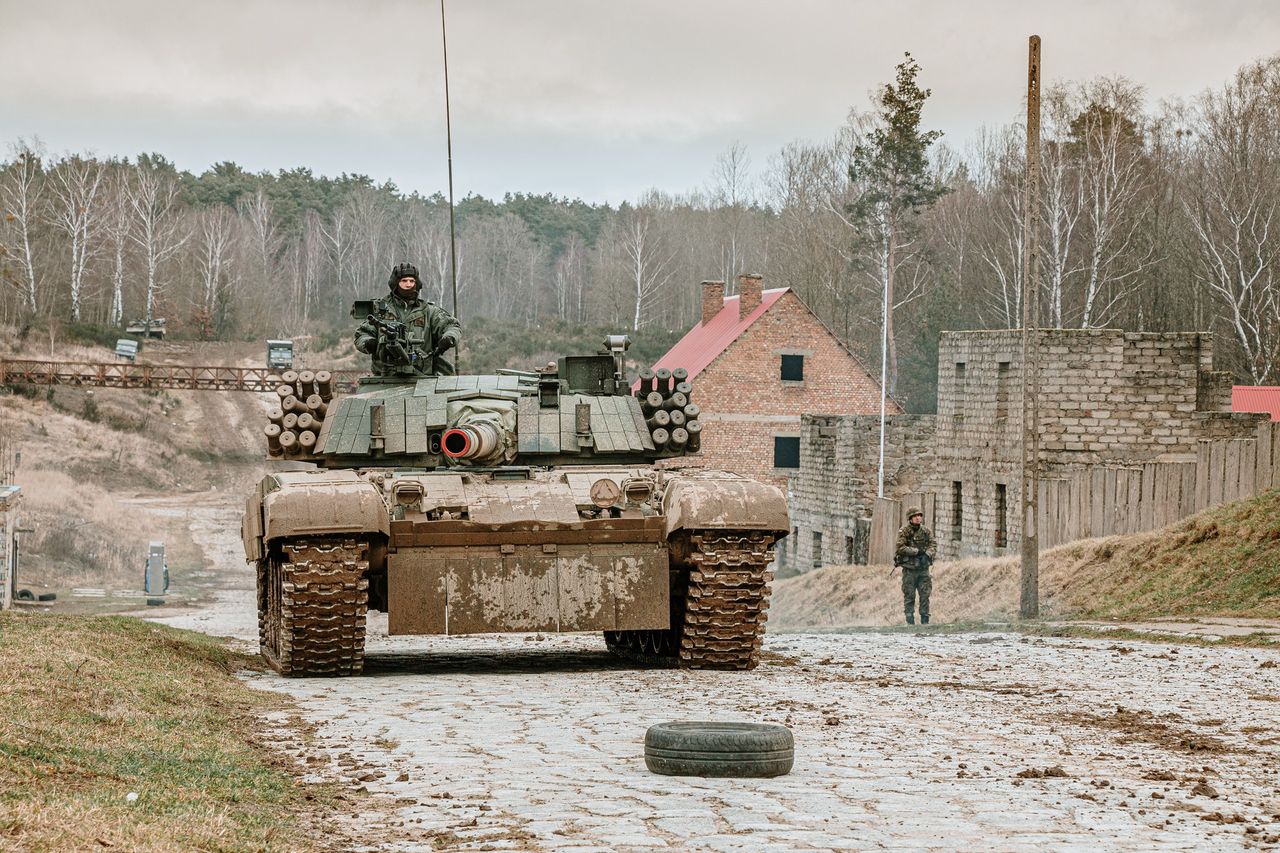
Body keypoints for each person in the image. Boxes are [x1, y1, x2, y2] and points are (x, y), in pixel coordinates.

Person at [354, 263, 460, 377]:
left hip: (422, 377)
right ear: (396, 283)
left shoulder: (428, 311)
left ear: (416, 283)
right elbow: (362, 334)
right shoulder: (380, 309)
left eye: (412, 281)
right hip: (385, 377)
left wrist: (449, 337)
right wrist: (369, 343)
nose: (408, 284)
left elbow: (451, 326)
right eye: (404, 281)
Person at [894, 506, 936, 625]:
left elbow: (933, 544)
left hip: (923, 569)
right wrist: (916, 552)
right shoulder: (904, 531)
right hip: (910, 570)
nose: (918, 518)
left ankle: (925, 620)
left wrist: (927, 555)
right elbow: (900, 547)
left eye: (919, 516)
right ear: (910, 518)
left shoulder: (926, 531)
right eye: (915, 516)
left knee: (925, 595)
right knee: (909, 595)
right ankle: (910, 621)